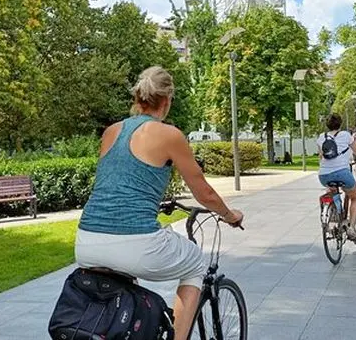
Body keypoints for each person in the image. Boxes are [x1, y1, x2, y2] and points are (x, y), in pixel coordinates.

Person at [75, 66, 244, 340]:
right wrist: (229, 215)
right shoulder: (169, 134)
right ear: (166, 100)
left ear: (137, 98)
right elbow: (205, 194)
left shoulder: (110, 132)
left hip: (87, 242)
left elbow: (120, 182)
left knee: (126, 284)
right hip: (135, 242)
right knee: (195, 265)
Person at [317, 113, 356, 242]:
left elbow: (321, 157)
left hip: (323, 175)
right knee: (355, 197)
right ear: (340, 124)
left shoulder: (321, 137)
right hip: (342, 172)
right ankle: (351, 227)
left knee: (331, 190)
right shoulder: (346, 135)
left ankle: (331, 214)